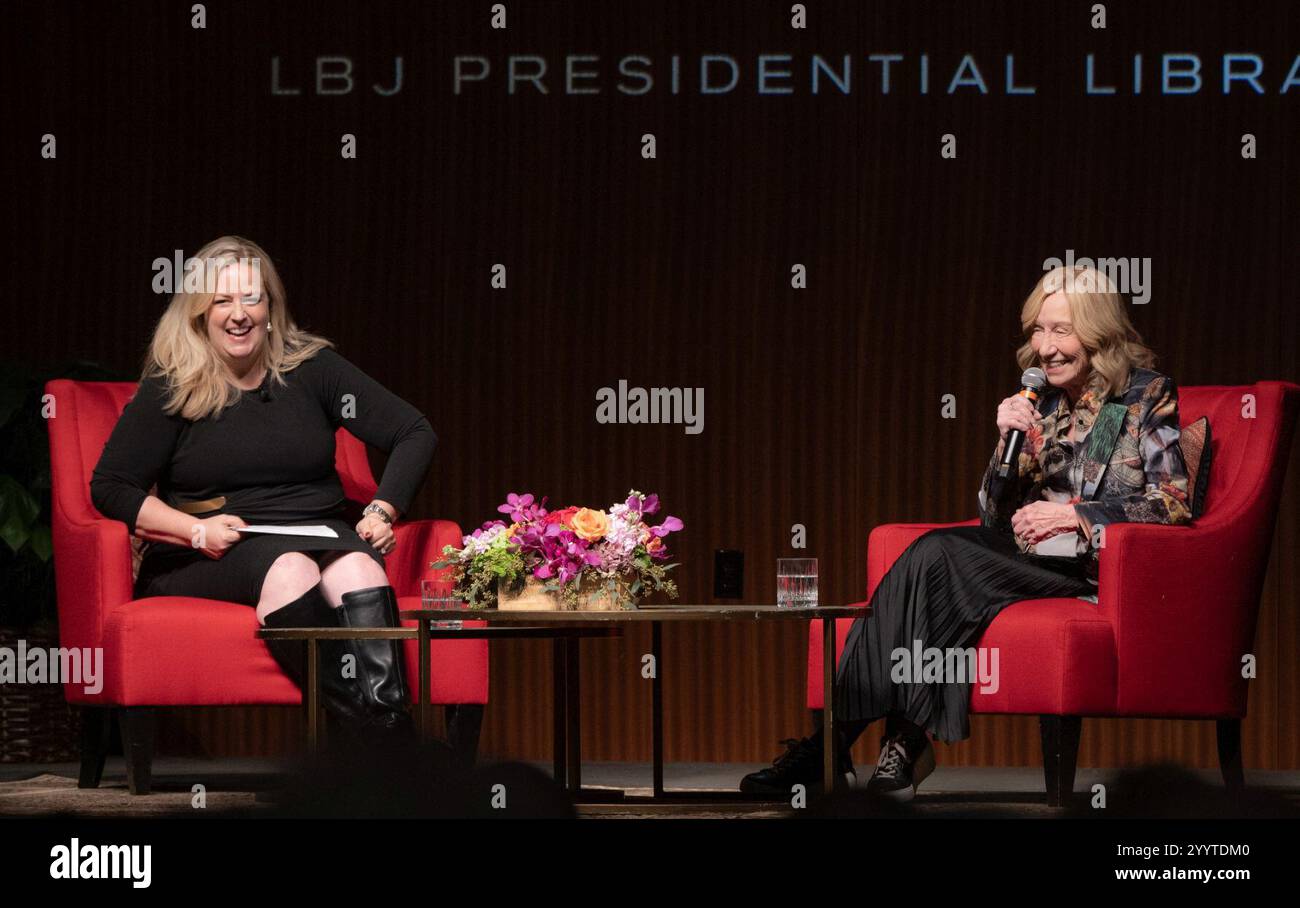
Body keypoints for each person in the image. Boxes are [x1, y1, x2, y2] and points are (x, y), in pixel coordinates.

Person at [741, 264, 1193, 799]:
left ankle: (841, 746)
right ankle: (901, 744)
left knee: (938, 556)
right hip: (1029, 554)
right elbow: (991, 519)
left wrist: (1077, 514)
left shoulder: (1143, 395)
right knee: (935, 560)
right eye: (1037, 331)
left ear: (1099, 333)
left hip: (1093, 565)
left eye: (1061, 331)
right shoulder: (1041, 402)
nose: (1045, 348)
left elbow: (1173, 502)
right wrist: (1006, 446)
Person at [91, 235, 436, 744]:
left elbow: (413, 431)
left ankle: (392, 732)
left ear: (270, 307)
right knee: (289, 565)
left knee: (361, 563)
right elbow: (111, 487)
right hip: (213, 549)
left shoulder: (312, 370)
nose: (238, 314)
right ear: (199, 313)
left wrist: (384, 510)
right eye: (222, 300)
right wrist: (195, 530)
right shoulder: (174, 385)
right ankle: (368, 740)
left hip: (318, 529)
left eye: (250, 298)